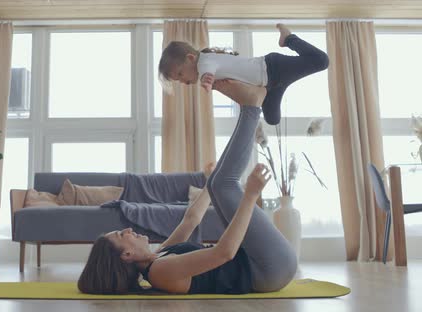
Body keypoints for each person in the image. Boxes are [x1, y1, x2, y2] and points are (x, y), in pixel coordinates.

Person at [78, 79, 297, 295]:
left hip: (255, 260)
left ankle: (249, 107)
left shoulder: (160, 257)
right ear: (126, 255)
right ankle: (251, 106)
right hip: (267, 270)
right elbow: (224, 253)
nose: (127, 230)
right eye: (120, 234)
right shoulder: (160, 272)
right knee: (224, 185)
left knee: (217, 183)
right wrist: (250, 195)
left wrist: (208, 182)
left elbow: (191, 219)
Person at [158, 24, 329, 125]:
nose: (182, 81)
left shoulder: (204, 62)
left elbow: (207, 70)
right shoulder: (207, 64)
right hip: (269, 86)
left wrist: (206, 80)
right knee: (272, 120)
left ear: (190, 58)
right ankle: (267, 93)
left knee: (321, 61)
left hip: (272, 68)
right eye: (177, 80)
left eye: (180, 74)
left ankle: (288, 39)